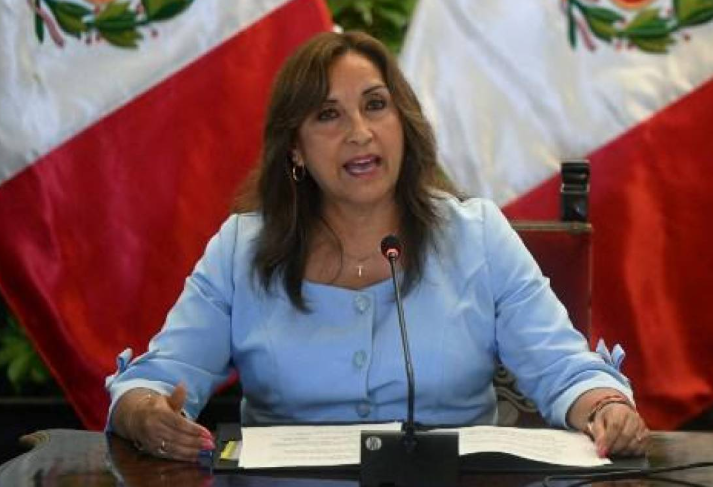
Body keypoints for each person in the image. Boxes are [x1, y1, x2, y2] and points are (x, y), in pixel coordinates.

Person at [106, 31, 649, 463]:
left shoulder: (477, 236)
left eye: (375, 105)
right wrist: (144, 412)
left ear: (403, 124)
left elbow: (564, 370)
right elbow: (158, 379)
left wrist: (605, 407)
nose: (360, 132)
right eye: (328, 115)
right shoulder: (240, 250)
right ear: (294, 149)